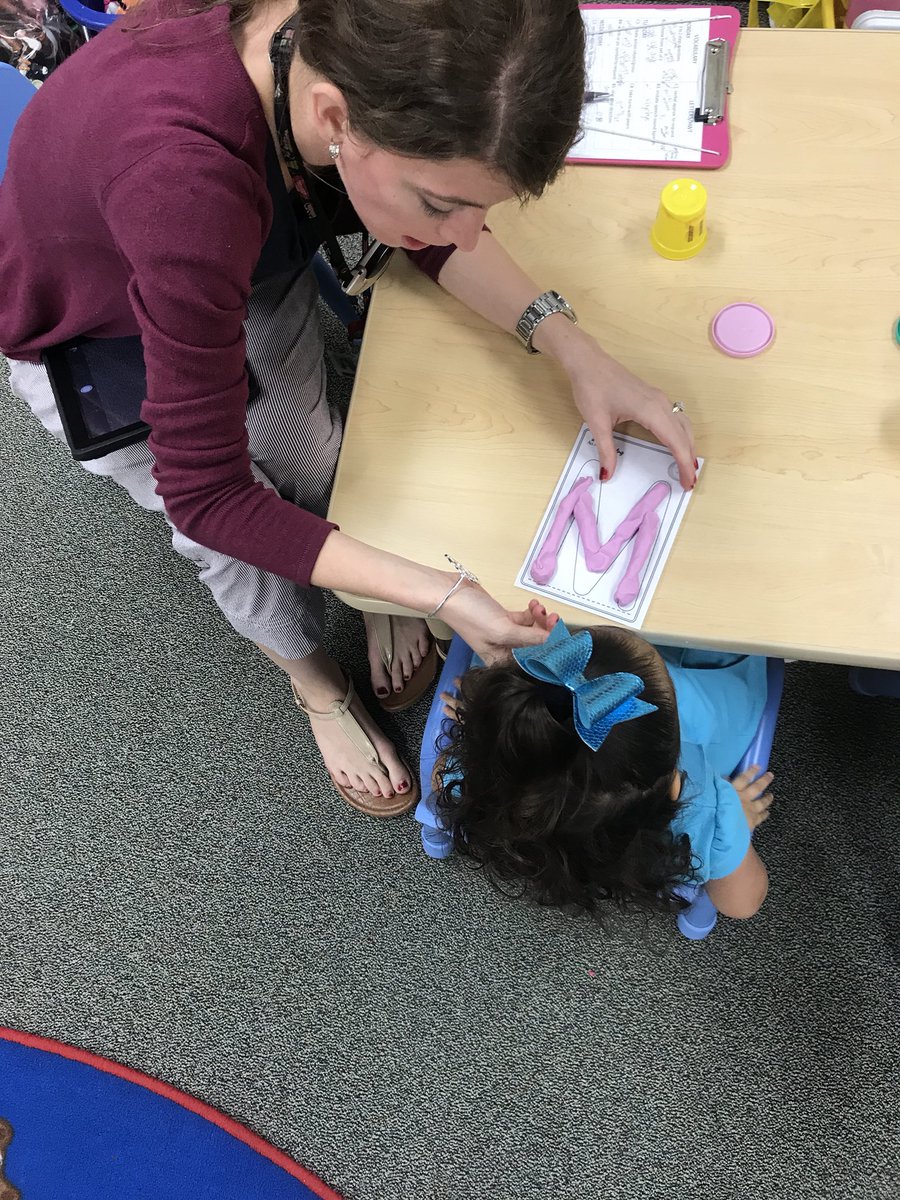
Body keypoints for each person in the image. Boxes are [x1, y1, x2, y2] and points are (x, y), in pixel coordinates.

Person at [0, 0, 696, 819]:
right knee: (226, 546)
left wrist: (577, 350)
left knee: (320, 458)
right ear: (333, 118)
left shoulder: (346, 62)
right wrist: (443, 594)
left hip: (245, 261)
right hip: (97, 327)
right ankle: (315, 682)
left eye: (484, 209)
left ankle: (371, 591)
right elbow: (210, 495)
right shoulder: (186, 182)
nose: (469, 236)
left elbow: (423, 228)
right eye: (444, 203)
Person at [434, 622, 775, 922]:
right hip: (714, 705)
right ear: (673, 785)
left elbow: (442, 777)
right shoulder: (701, 810)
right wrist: (733, 826)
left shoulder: (482, 779)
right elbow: (743, 903)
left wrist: (489, 724)